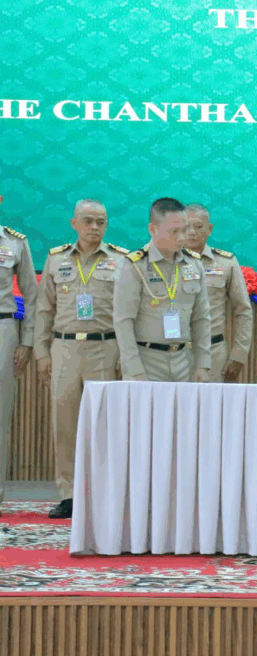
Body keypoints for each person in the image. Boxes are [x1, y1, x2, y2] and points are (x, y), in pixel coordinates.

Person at [34, 199, 128, 519]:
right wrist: (41, 353)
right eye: (88, 221)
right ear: (74, 223)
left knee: (105, 425)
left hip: (106, 348)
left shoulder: (121, 260)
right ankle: (69, 495)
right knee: (65, 424)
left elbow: (129, 313)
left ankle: (104, 494)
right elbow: (43, 311)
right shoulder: (56, 259)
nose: (94, 227)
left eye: (101, 222)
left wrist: (125, 355)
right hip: (64, 349)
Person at [113, 197, 212, 382]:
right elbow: (123, 322)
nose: (182, 237)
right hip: (146, 361)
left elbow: (201, 318)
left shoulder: (193, 264)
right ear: (153, 229)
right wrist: (134, 370)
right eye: (174, 231)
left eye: (184, 230)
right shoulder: (134, 266)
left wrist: (202, 364)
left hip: (184, 361)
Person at [183, 204, 253, 382]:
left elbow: (243, 310)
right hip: (174, 354)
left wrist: (239, 355)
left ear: (210, 229)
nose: (191, 232)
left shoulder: (226, 263)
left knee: (212, 400)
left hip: (213, 353)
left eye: (198, 227)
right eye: (186, 226)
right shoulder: (166, 261)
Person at [0, 194, 38, 515]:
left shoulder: (15, 242)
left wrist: (27, 341)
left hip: (4, 330)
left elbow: (31, 293)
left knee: (0, 413)